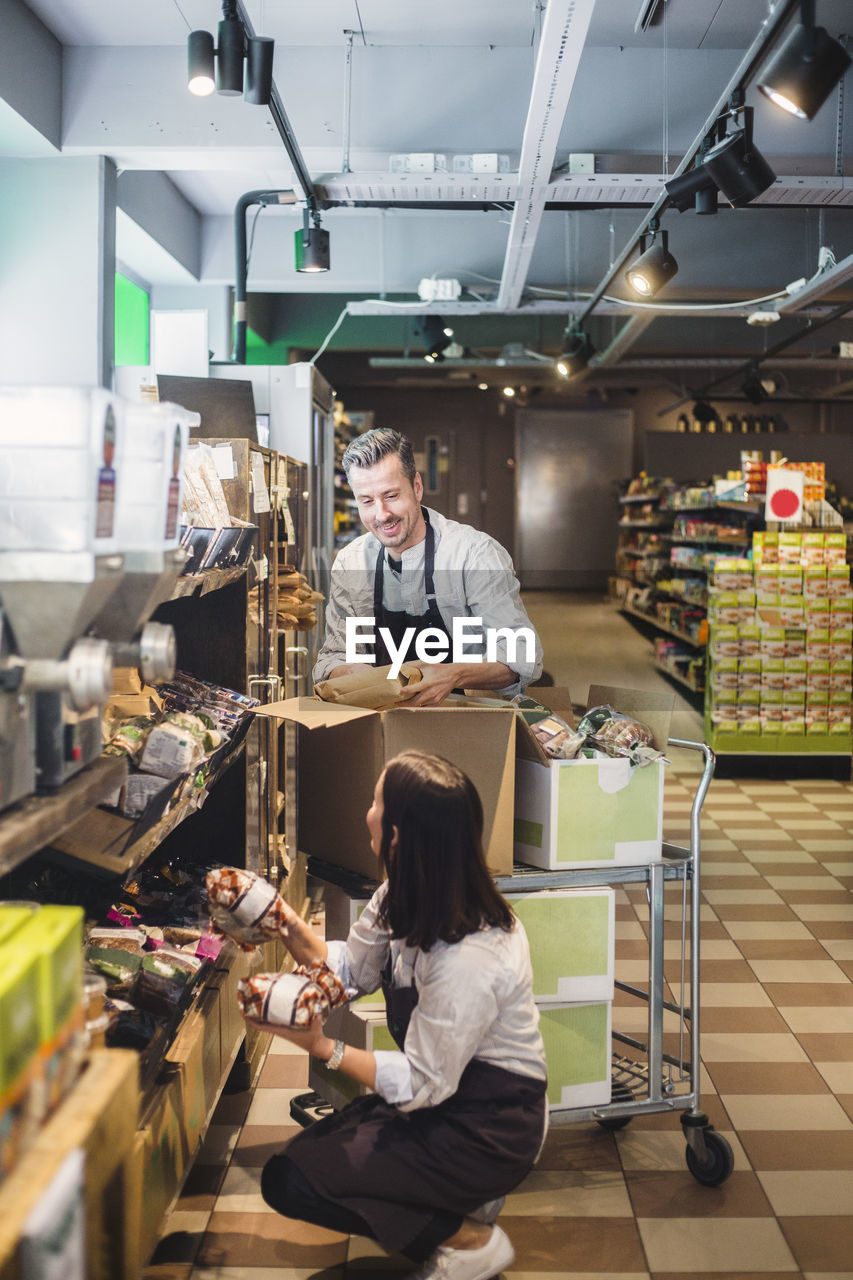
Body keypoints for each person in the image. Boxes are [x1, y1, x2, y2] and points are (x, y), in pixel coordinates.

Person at [248, 750, 548, 1280]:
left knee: (297, 1182)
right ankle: (450, 1215)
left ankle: (471, 1239)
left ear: (398, 835)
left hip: (491, 1125)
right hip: (442, 1101)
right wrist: (282, 921)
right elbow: (349, 970)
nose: (366, 812)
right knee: (301, 1167)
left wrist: (324, 1047)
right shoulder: (400, 896)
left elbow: (422, 1082)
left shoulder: (472, 958)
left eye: (376, 803)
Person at [314, 428, 543, 705]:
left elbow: (521, 655)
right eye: (367, 501)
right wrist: (351, 671)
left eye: (391, 496)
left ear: (417, 487)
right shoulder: (350, 562)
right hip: (382, 721)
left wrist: (454, 675)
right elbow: (332, 658)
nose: (381, 514)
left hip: (471, 722)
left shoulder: (475, 555)